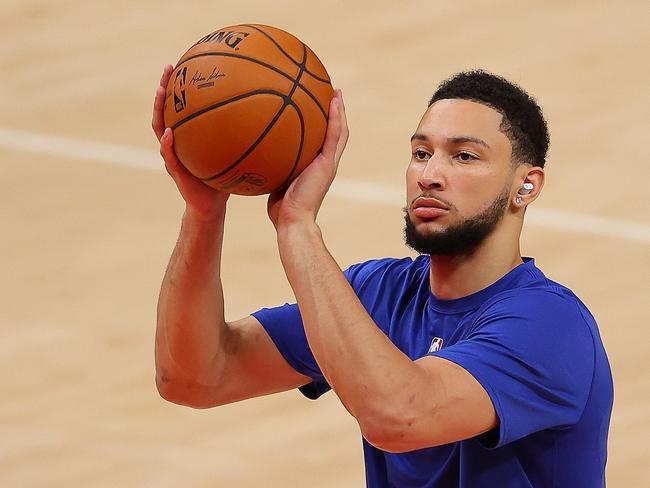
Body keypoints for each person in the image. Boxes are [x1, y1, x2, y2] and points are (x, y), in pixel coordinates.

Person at [152, 67, 613, 487]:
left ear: (526, 185)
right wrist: (204, 211)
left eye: (464, 157)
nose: (430, 175)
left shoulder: (551, 325)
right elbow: (196, 377)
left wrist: (297, 226)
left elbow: (399, 416)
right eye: (420, 152)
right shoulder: (379, 294)